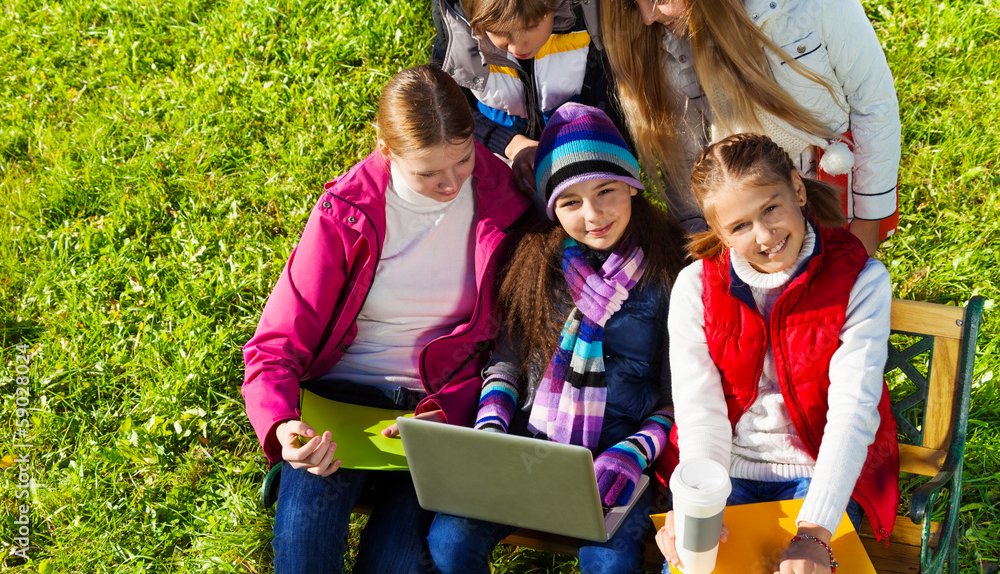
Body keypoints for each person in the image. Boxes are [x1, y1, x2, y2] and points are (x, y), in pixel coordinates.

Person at [241, 65, 531, 573]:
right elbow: (276, 344)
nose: (448, 184)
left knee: (393, 564)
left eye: (462, 161)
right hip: (340, 406)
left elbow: (507, 340)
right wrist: (284, 427)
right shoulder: (345, 212)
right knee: (303, 559)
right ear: (385, 148)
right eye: (426, 173)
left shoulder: (506, 200)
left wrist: (452, 409)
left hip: (437, 410)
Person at [427, 103, 687, 574]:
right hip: (533, 446)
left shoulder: (671, 273)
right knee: (449, 539)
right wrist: (492, 429)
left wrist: (633, 453)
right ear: (552, 208)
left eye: (607, 191)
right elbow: (507, 360)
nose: (593, 214)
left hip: (617, 461)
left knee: (609, 564)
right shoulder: (535, 265)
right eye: (571, 202)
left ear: (632, 186)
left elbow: (678, 396)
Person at [656, 133, 899, 574]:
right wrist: (699, 502)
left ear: (798, 188)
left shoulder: (860, 280)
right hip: (727, 470)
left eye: (771, 208)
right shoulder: (695, 287)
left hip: (820, 472)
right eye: (740, 226)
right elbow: (700, 412)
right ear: (718, 231)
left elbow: (853, 412)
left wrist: (815, 533)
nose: (765, 235)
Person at [599, 0, 901, 255]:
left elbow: (874, 106)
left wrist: (868, 219)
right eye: (635, 1)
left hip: (836, 196)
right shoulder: (670, 45)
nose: (648, 16)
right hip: (751, 229)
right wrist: (708, 245)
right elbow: (686, 161)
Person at [431, 0, 620, 194]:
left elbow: (613, 98)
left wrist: (583, 151)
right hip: (497, 157)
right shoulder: (462, 41)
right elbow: (448, 105)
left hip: (583, 152)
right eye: (501, 35)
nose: (519, 49)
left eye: (532, 26)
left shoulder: (589, 21)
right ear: (474, 18)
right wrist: (509, 143)